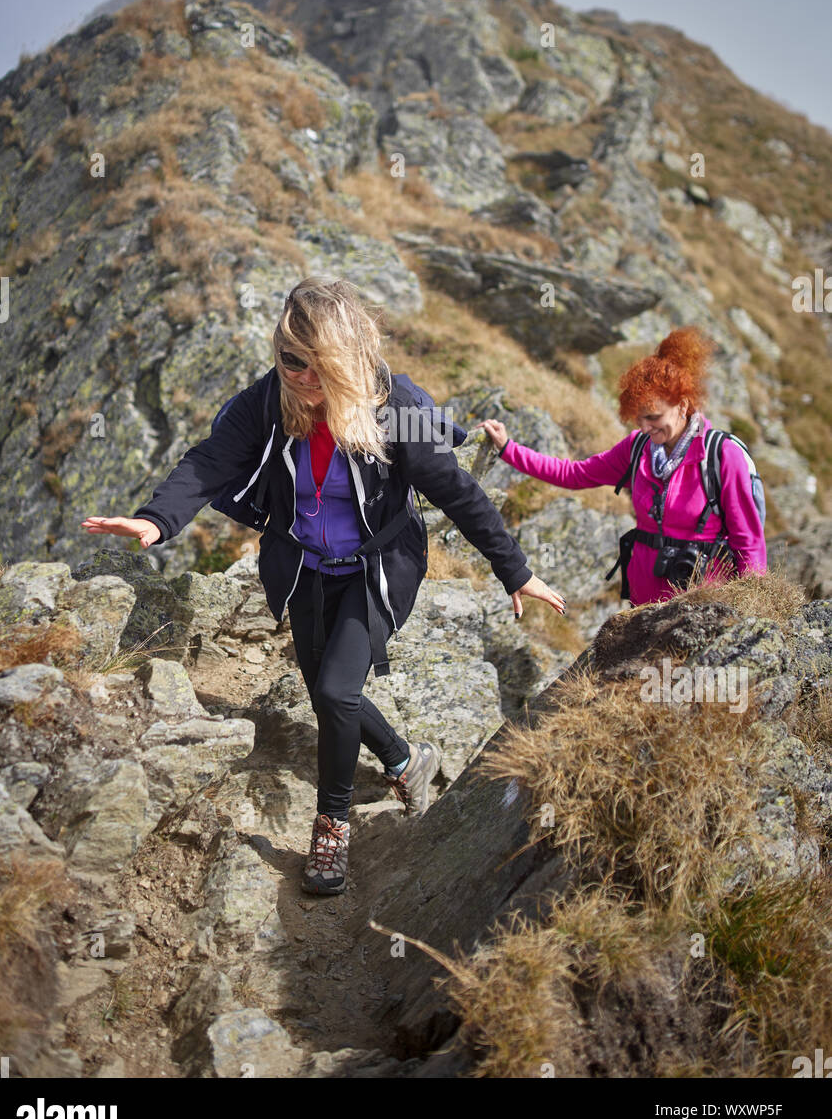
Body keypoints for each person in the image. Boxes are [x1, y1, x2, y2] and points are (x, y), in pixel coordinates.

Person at [82, 278, 565, 896]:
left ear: (351, 360)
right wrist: (157, 519)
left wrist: (515, 570)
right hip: (303, 568)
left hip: (376, 569)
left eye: (321, 366)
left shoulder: (396, 411)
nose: (304, 378)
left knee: (337, 692)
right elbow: (208, 462)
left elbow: (458, 494)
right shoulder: (264, 403)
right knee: (327, 695)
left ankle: (331, 828)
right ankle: (406, 760)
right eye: (292, 361)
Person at [477, 327, 766, 608]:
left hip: (704, 605)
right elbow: (574, 474)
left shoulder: (723, 455)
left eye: (653, 417)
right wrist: (508, 449)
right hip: (643, 606)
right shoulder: (637, 447)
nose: (644, 427)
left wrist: (752, 615)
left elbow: (748, 542)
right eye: (638, 418)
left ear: (683, 405)